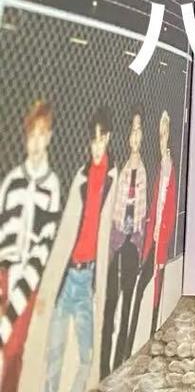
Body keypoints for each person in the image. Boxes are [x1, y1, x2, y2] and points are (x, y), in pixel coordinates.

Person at [45, 108, 116, 392]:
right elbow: (66, 230)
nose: (96, 147)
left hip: (87, 282)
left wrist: (102, 286)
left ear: (108, 138)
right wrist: (52, 279)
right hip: (68, 279)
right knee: (53, 355)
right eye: (93, 140)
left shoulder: (113, 179)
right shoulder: (81, 177)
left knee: (86, 359)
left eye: (101, 140)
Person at [0, 100, 61, 392]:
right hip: (4, 275)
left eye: (41, 134)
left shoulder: (52, 187)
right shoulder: (12, 181)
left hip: (28, 280)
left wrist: (9, 316)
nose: (35, 142)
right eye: (31, 135)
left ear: (49, 137)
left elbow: (40, 254)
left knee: (12, 350)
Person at [100, 108, 147, 377]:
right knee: (110, 305)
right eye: (132, 131)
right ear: (128, 137)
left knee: (126, 305)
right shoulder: (122, 170)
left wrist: (139, 248)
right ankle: (104, 366)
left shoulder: (143, 172)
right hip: (117, 240)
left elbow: (143, 214)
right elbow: (113, 210)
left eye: (139, 131)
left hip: (132, 246)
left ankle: (121, 362)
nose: (135, 136)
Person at [125, 111, 175, 350]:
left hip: (160, 244)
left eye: (165, 134)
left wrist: (162, 241)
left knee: (156, 295)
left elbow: (169, 209)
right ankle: (133, 338)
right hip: (152, 243)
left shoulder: (169, 168)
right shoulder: (160, 168)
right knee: (140, 288)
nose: (161, 139)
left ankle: (154, 332)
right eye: (160, 134)